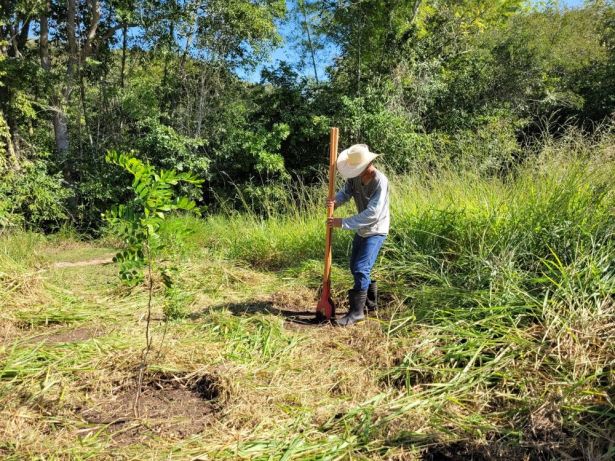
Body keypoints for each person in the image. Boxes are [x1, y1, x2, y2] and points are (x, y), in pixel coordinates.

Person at [327, 143, 390, 326]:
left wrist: (343, 222)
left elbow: (373, 213)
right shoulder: (355, 178)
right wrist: (335, 201)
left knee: (362, 268)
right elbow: (346, 193)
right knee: (355, 266)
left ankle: (356, 313)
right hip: (362, 229)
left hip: (376, 229)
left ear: (366, 165)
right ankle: (370, 303)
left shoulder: (380, 181)